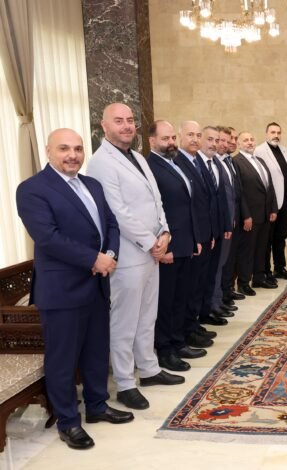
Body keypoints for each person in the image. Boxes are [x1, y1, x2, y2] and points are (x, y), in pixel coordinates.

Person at [16, 128, 133, 450]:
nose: (73, 155)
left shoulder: (92, 185)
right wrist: (93, 259)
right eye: (64, 148)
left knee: (96, 352)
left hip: (97, 284)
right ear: (48, 151)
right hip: (62, 290)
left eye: (78, 149)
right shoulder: (32, 189)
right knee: (63, 360)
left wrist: (109, 255)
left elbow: (110, 223)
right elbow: (48, 237)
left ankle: (97, 406)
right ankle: (68, 422)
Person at [87, 103, 183, 411]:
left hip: (152, 250)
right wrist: (151, 242)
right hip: (128, 255)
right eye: (119, 121)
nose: (127, 125)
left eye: (130, 120)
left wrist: (165, 233)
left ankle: (149, 368)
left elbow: (157, 201)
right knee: (125, 321)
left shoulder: (139, 157)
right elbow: (117, 211)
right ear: (104, 126)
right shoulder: (101, 162)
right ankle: (125, 383)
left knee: (147, 315)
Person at [146, 120, 206, 372]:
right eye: (165, 139)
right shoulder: (151, 167)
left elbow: (188, 205)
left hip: (184, 243)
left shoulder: (174, 163)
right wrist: (164, 245)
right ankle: (165, 349)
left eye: (172, 138)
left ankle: (179, 341)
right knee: (167, 301)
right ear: (152, 141)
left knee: (181, 296)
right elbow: (154, 211)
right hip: (168, 246)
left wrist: (194, 239)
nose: (171, 143)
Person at [174, 121, 222, 347]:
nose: (195, 139)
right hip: (191, 236)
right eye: (190, 135)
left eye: (197, 135)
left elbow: (208, 199)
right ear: (180, 137)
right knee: (190, 286)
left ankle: (193, 324)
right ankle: (187, 329)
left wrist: (210, 232)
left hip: (204, 233)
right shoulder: (178, 161)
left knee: (199, 283)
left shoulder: (198, 161)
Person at [234, 131, 279, 289]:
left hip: (265, 214)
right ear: (239, 144)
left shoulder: (260, 160)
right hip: (250, 216)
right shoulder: (236, 162)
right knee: (247, 251)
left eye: (252, 139)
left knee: (261, 249)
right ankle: (244, 282)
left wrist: (273, 209)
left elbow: (269, 186)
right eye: (245, 140)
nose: (250, 142)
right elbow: (239, 192)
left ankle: (259, 278)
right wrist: (246, 215)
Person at [254, 122, 287, 281]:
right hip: (269, 203)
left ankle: (280, 268)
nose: (276, 135)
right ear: (266, 133)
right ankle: (265, 271)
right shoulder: (259, 151)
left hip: (283, 200)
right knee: (267, 239)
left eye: (278, 132)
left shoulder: (283, 150)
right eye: (272, 132)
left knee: (280, 237)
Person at [209, 126, 240, 318]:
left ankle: (218, 300)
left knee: (221, 264)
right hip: (218, 224)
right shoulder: (214, 163)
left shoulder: (222, 163)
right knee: (216, 266)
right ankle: (214, 304)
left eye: (224, 141)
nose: (221, 144)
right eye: (218, 140)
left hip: (227, 221)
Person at [216, 126, 246, 307]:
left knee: (229, 258)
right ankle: (220, 297)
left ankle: (226, 291)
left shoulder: (229, 161)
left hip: (233, 217)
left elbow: (237, 191)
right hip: (223, 220)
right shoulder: (216, 162)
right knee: (222, 261)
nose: (227, 143)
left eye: (230, 140)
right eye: (223, 140)